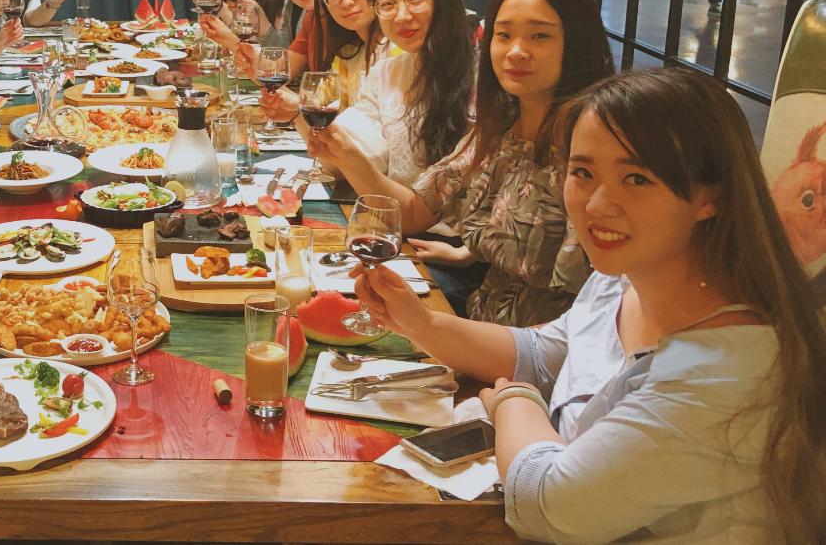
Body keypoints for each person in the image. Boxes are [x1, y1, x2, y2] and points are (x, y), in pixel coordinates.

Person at [353, 67, 826, 542]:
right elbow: (546, 355)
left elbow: (548, 505)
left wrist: (515, 403)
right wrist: (420, 323)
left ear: (710, 197)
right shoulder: (623, 278)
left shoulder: (729, 371)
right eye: (582, 172)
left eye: (636, 178)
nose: (597, 205)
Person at [315, 0, 612, 324]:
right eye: (504, 35)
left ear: (576, 41)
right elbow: (413, 212)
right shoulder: (497, 129)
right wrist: (348, 157)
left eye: (539, 36)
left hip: (543, 344)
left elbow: (601, 299)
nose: (516, 51)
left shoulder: (594, 146)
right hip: (481, 322)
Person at [329, 0, 474, 187]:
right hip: (394, 210)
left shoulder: (484, 76)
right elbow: (350, 154)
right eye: (387, 4)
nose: (402, 16)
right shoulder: (386, 73)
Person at [254, 0, 378, 125]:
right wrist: (298, 111)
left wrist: (299, 108)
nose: (346, 2)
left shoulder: (394, 52)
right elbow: (327, 117)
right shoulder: (346, 52)